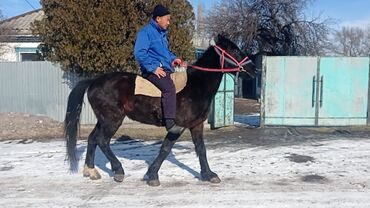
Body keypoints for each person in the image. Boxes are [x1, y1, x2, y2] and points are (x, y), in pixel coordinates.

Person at [134, 4, 186, 134]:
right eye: (167, 19)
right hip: (151, 71)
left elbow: (165, 53)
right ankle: (170, 123)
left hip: (164, 68)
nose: (169, 22)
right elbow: (139, 52)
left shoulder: (162, 34)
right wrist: (153, 68)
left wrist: (173, 59)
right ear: (158, 19)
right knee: (169, 88)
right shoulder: (146, 32)